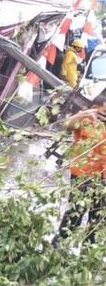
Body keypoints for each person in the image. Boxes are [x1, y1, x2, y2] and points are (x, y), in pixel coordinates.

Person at [52, 106, 106, 248]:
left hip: (104, 179)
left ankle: (87, 253)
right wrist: (80, 115)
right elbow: (67, 126)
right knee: (75, 212)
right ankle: (60, 245)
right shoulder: (87, 117)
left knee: (98, 217)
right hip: (82, 175)